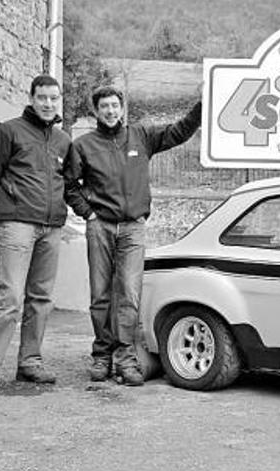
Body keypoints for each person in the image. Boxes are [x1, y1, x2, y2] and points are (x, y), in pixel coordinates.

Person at [64, 86, 201, 386]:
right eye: (104, 107)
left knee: (128, 292)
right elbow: (70, 185)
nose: (110, 111)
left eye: (115, 105)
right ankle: (101, 355)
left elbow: (178, 132)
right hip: (100, 226)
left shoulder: (141, 136)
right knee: (100, 294)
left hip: (133, 227)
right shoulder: (84, 145)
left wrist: (202, 108)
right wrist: (88, 214)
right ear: (96, 111)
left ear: (123, 108)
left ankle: (125, 358)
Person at [0, 75, 73, 394]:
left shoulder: (63, 140)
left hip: (51, 227)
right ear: (31, 98)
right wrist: (1, 214)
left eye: (53, 98)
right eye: (42, 97)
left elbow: (68, 183)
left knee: (41, 298)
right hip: (17, 222)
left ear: (59, 101)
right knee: (11, 296)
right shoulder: (9, 131)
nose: (47, 103)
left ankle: (30, 362)